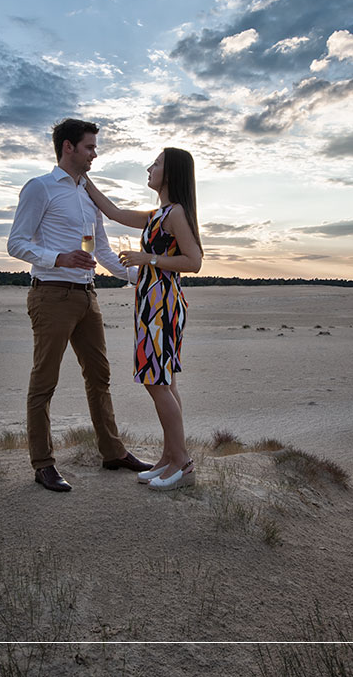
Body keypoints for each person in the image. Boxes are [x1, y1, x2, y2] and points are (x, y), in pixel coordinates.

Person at [7, 118, 154, 492]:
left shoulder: (88, 195)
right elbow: (17, 243)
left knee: (100, 377)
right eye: (89, 147)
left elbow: (100, 250)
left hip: (87, 296)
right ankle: (43, 464)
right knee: (45, 382)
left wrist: (140, 278)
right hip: (51, 294)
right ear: (68, 147)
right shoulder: (40, 188)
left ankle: (112, 452)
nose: (94, 154)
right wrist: (59, 258)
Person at [85, 147, 203, 491]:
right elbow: (116, 211)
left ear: (172, 173)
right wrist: (83, 179)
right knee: (166, 382)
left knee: (156, 381)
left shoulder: (175, 213)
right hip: (153, 302)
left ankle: (183, 463)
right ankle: (169, 456)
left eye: (156, 164)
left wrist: (146, 257)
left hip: (163, 304)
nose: (149, 168)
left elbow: (193, 262)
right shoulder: (159, 213)